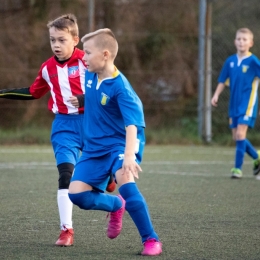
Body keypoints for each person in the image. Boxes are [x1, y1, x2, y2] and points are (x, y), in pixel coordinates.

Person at [0, 14, 115, 246]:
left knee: (100, 184)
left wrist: (84, 99)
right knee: (65, 176)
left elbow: (111, 86)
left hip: (93, 124)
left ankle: (110, 183)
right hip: (64, 127)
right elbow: (33, 92)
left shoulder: (88, 61)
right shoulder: (47, 68)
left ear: (76, 40)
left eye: (62, 40)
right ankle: (66, 231)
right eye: (52, 40)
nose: (56, 45)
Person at [68, 28, 162, 256]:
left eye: (88, 53)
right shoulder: (91, 74)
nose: (84, 57)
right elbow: (96, 97)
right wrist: (80, 99)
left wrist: (129, 156)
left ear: (106, 55)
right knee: (76, 194)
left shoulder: (122, 89)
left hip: (120, 146)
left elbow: (133, 126)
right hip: (93, 149)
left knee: (127, 185)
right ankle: (116, 205)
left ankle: (151, 240)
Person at [211, 27, 260, 179]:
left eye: (244, 39)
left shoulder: (253, 62)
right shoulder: (230, 61)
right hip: (234, 104)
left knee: (240, 134)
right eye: (239, 39)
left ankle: (237, 169)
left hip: (248, 104)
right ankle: (257, 157)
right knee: (237, 137)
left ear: (251, 43)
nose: (241, 42)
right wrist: (216, 95)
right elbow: (222, 80)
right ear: (234, 42)